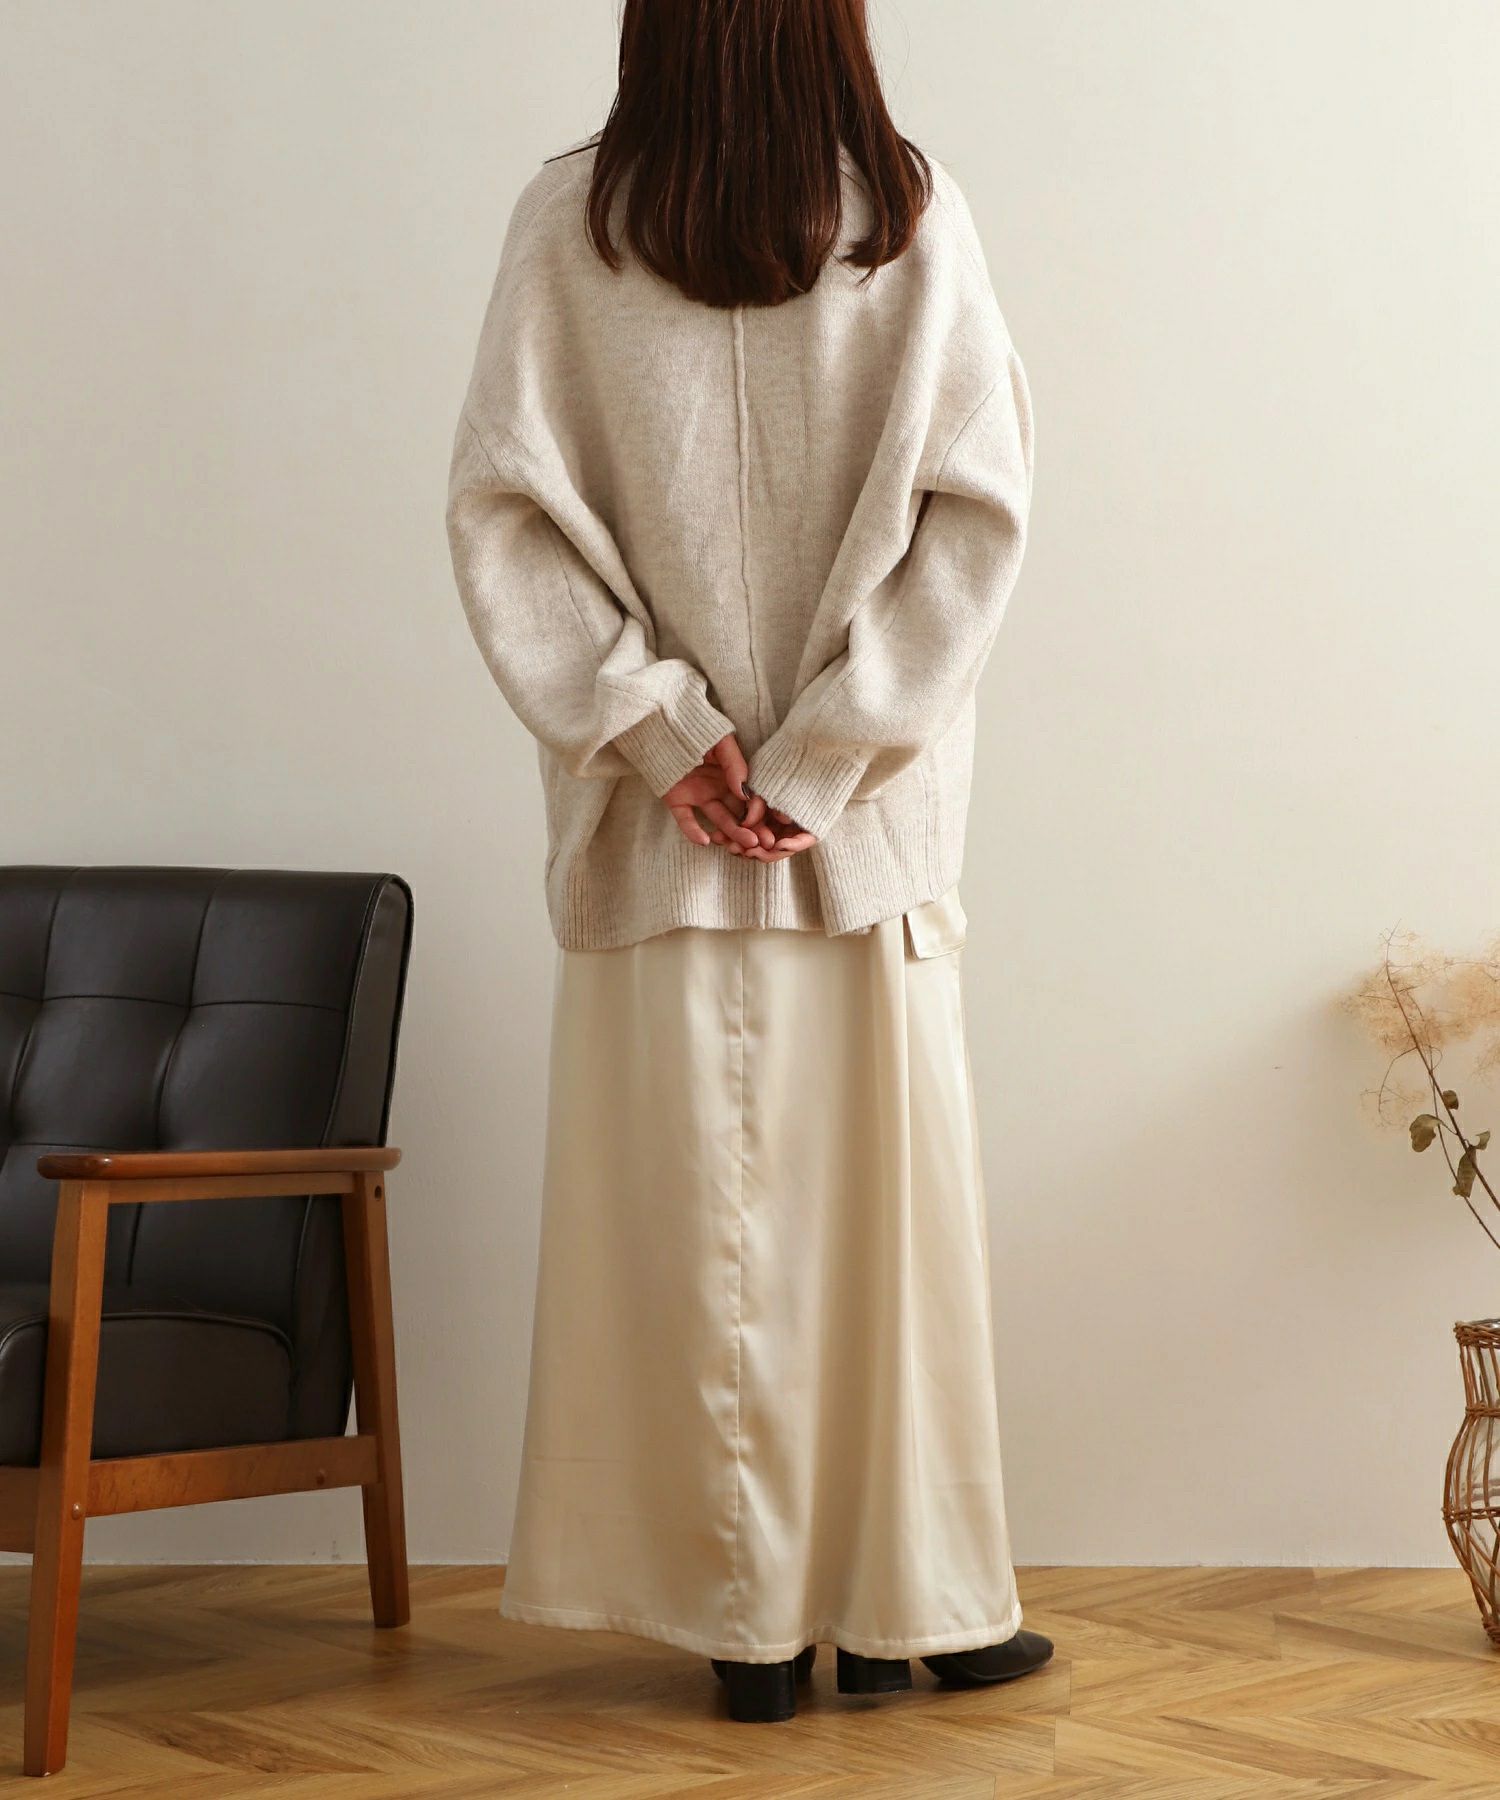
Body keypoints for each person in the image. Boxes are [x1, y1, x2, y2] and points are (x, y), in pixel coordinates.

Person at [445, 0, 1051, 1726]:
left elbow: (503, 513)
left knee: (693, 1225)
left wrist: (662, 733)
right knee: (889, 1233)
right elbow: (978, 518)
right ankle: (912, 1604)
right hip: (862, 837)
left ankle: (751, 1630)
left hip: (666, 831)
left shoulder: (574, 223)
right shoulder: (909, 216)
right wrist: (830, 751)